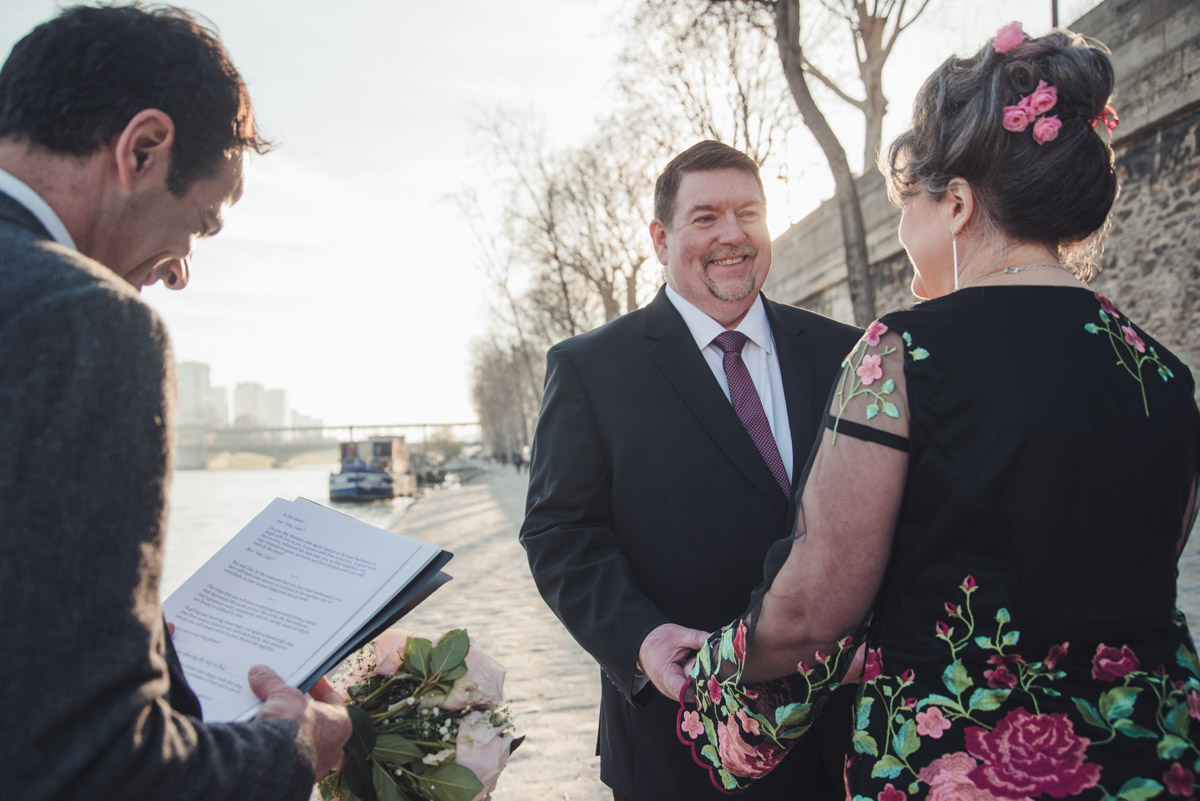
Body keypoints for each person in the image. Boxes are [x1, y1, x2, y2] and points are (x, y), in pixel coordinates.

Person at [678, 22, 1200, 799]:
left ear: (955, 204)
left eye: (906, 204)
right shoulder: (1164, 371)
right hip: (1152, 759)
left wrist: (710, 677)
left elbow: (815, 605)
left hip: (963, 766)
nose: (902, 228)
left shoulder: (902, 353)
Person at [0, 6, 350, 800]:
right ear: (144, 147)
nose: (181, 272)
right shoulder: (82, 319)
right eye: (199, 224)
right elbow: (93, 764)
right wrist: (291, 747)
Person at [520, 140, 861, 800]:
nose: (732, 235)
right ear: (660, 237)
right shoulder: (591, 370)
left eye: (749, 213)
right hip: (681, 747)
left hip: (840, 742)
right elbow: (560, 534)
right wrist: (639, 639)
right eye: (705, 217)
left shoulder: (846, 352)